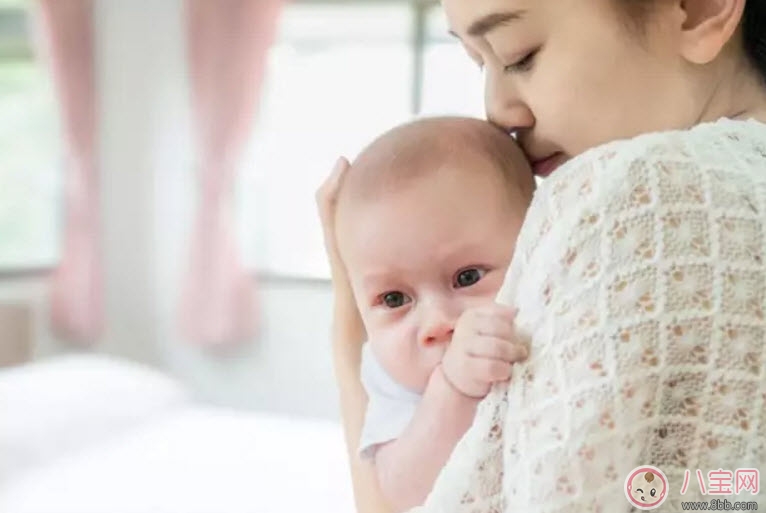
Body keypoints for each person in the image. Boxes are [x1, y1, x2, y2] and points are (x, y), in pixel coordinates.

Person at [317, 0, 766, 511]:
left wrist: (346, 326)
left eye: (519, 55)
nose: (498, 111)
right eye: (478, 64)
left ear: (697, 9)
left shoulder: (629, 191)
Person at [334, 117, 535, 512]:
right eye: (394, 300)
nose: (437, 323)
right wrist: (453, 390)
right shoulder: (392, 379)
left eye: (467, 277)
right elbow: (401, 489)